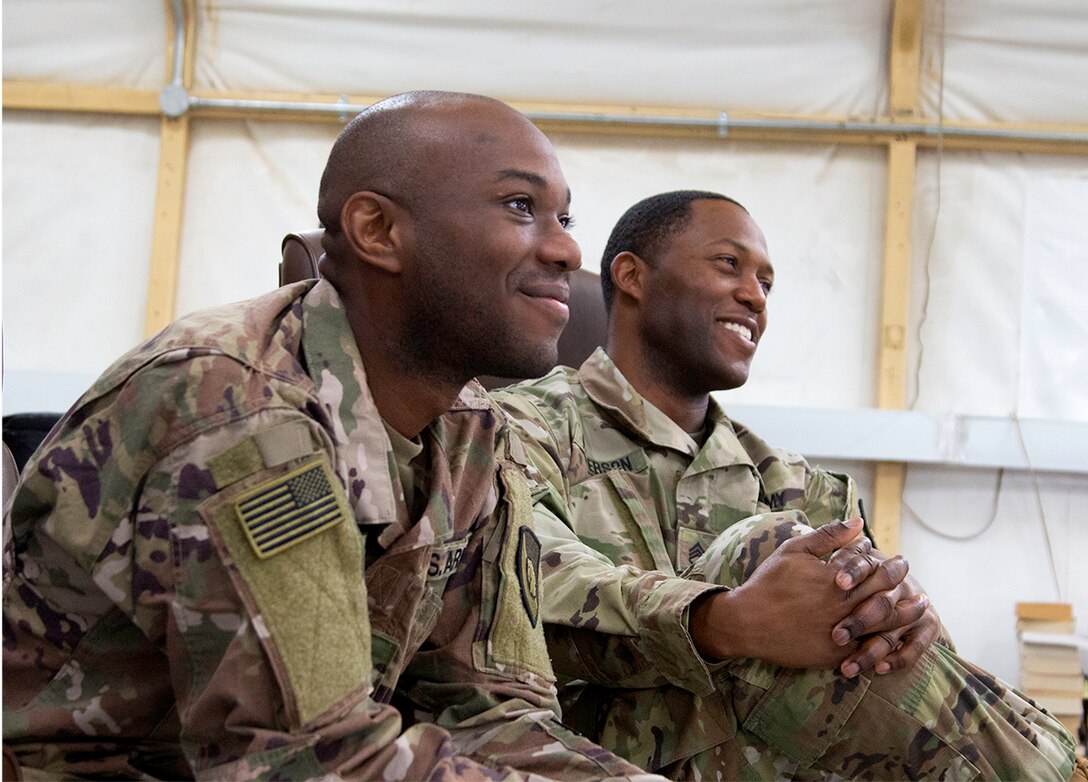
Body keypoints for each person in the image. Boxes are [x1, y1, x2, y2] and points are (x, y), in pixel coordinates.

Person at [1, 92, 665, 781]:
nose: (566, 248)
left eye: (565, 216)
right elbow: (310, 763)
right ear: (377, 230)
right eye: (520, 207)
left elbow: (491, 714)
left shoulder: (472, 433)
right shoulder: (239, 411)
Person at [494, 190, 1083, 781]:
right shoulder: (520, 426)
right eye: (728, 264)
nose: (754, 296)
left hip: (793, 757)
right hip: (590, 750)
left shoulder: (807, 485)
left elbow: (879, 663)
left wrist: (907, 620)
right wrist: (724, 620)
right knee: (771, 547)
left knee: (839, 579)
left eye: (767, 283)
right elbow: (525, 586)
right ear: (631, 276)